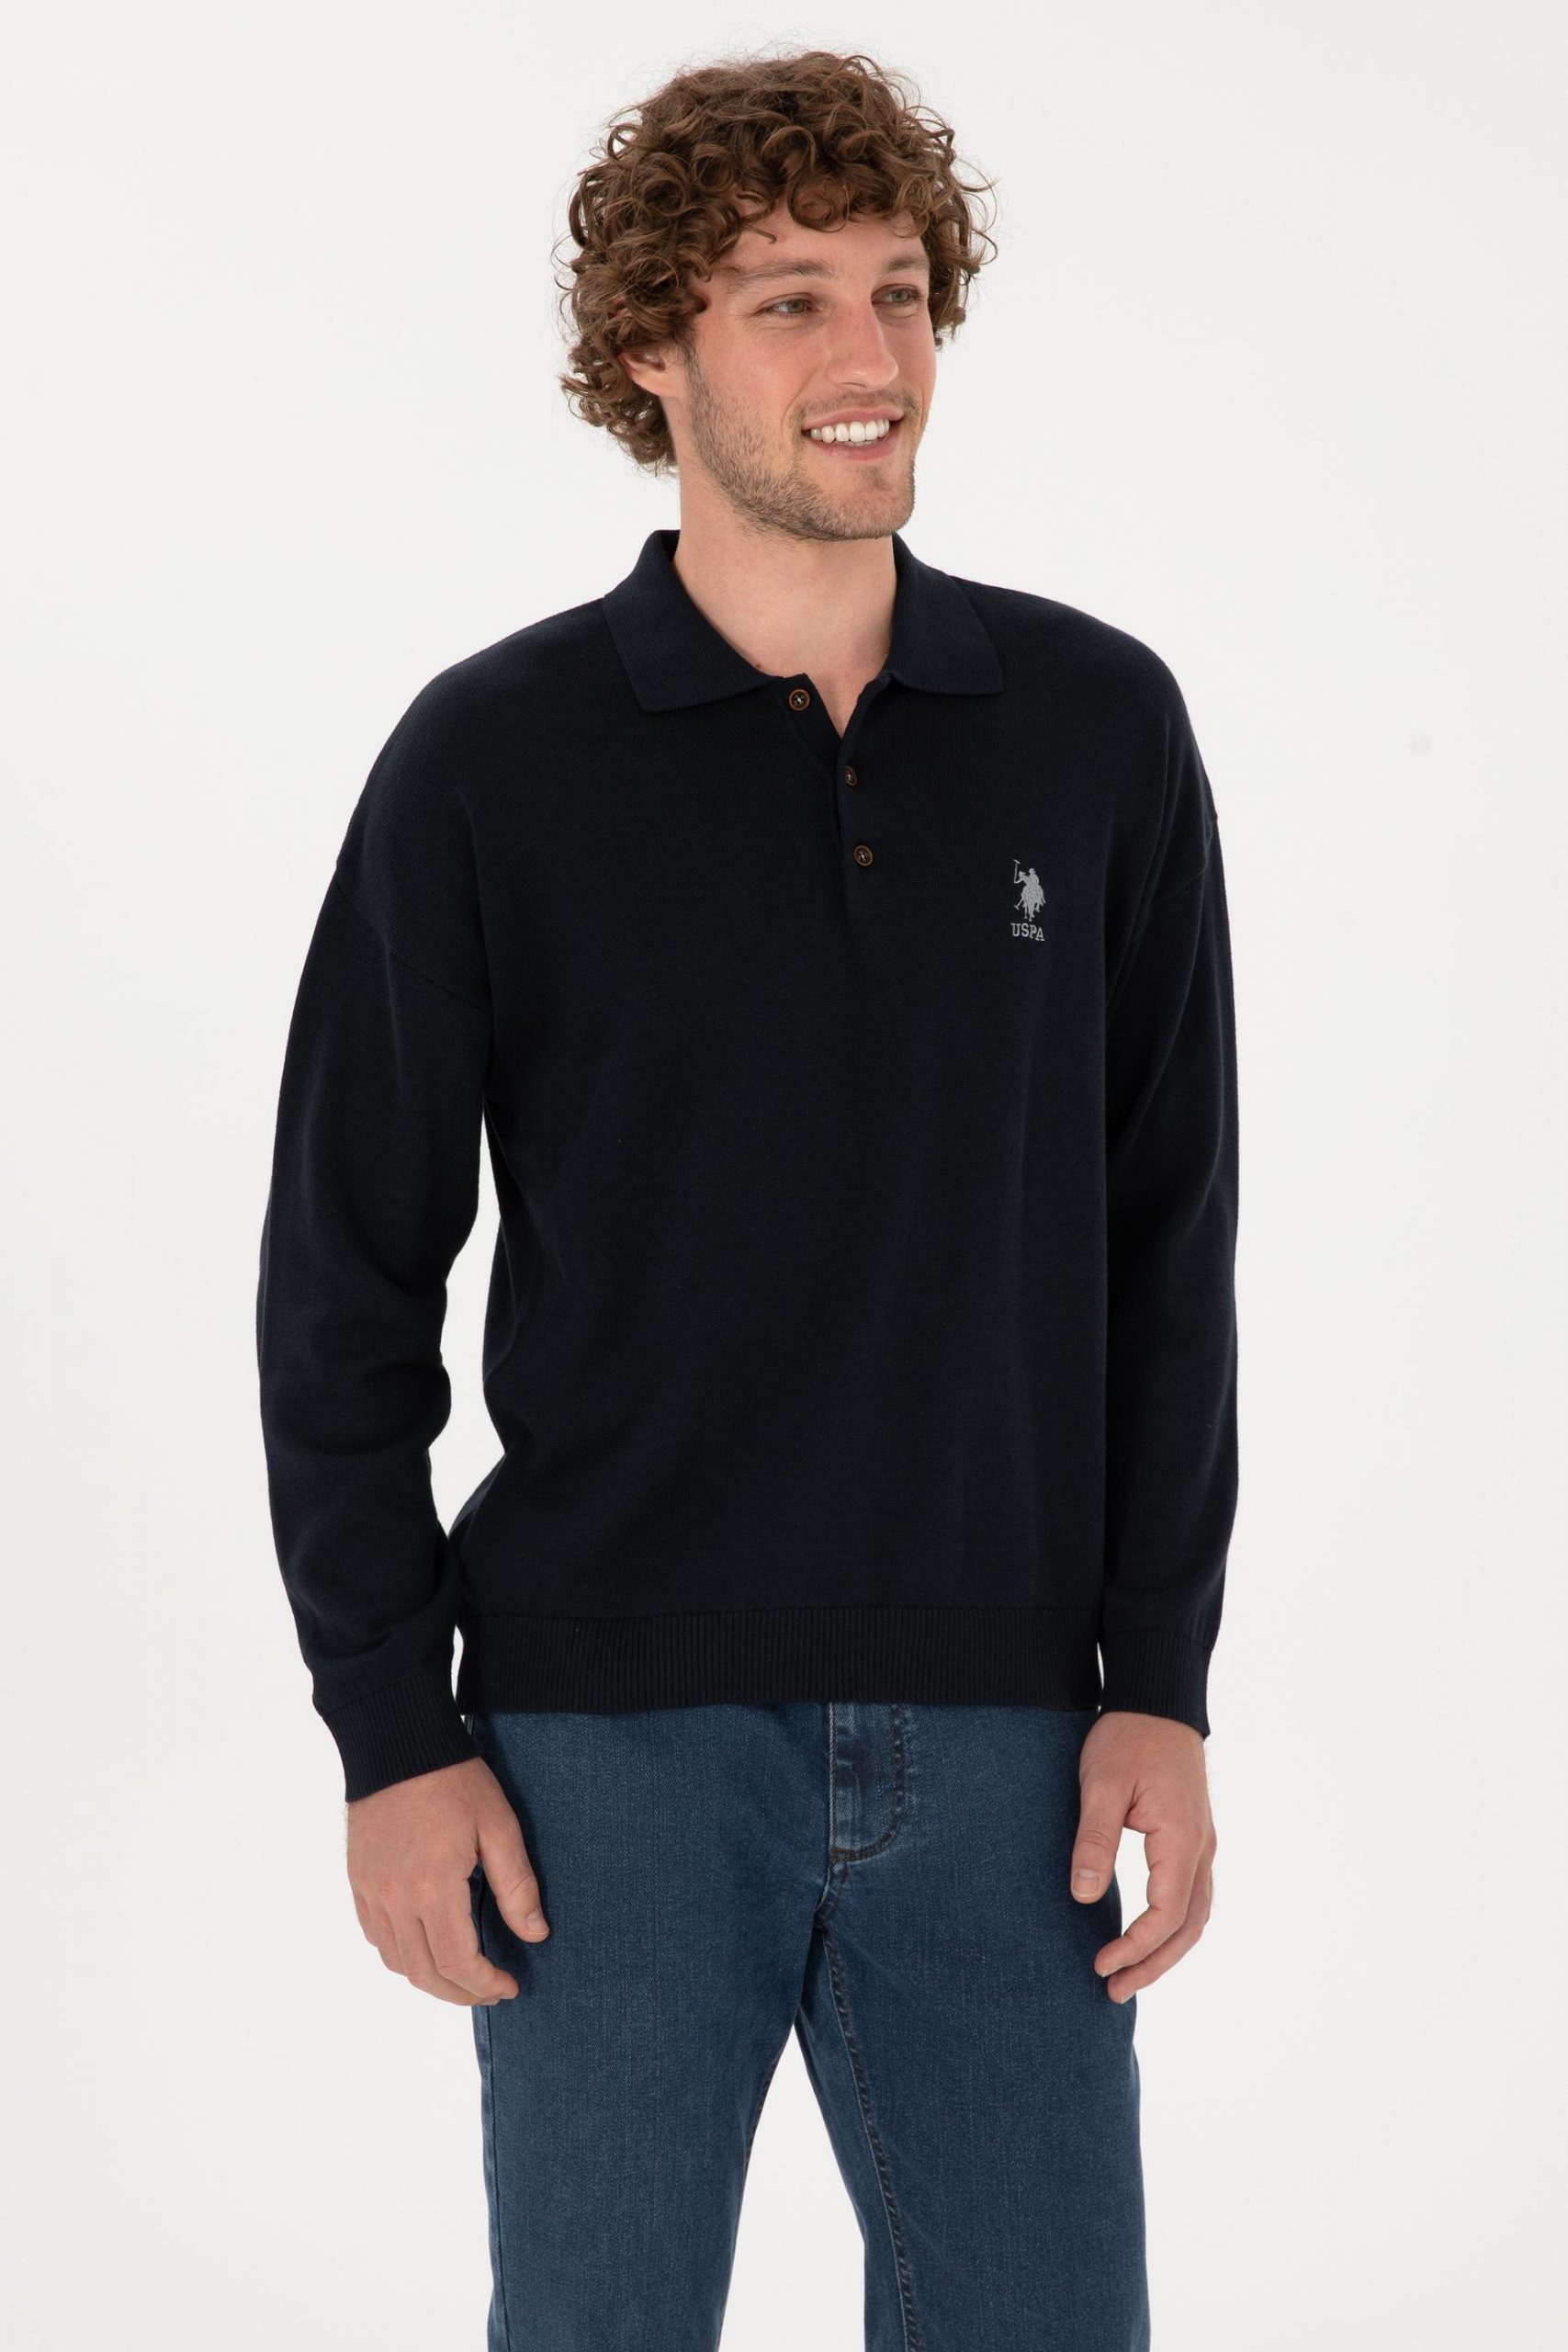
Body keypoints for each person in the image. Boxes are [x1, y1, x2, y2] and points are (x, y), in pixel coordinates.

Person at [255, 45, 1240, 2350]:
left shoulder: (1093, 728)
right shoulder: (489, 759)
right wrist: (393, 1730)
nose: (866, 352)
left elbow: (1165, 1234)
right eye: (787, 299)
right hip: (596, 1754)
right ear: (650, 353)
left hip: (1010, 1737)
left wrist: (1162, 1677)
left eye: (896, 290)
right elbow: (342, 1275)